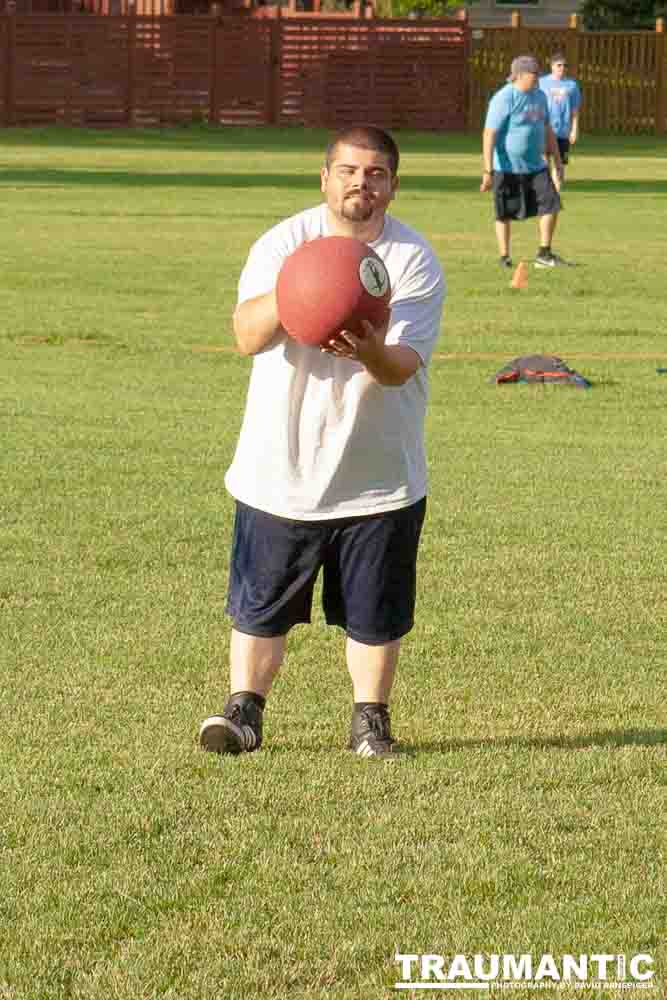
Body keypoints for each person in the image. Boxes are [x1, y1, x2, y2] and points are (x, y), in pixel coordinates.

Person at [198, 126, 445, 759]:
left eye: (376, 173)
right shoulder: (283, 243)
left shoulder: (412, 259)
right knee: (259, 606)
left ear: (393, 185)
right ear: (325, 177)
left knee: (375, 613)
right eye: (349, 171)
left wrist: (366, 347)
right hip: (279, 468)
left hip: (378, 473)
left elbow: (399, 367)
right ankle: (243, 713)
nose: (362, 183)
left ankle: (371, 723)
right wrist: (305, 290)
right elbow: (246, 336)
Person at [480, 54, 569, 270]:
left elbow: (547, 129)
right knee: (504, 213)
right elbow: (489, 133)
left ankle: (544, 253)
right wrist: (488, 170)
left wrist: (557, 161)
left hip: (536, 166)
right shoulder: (504, 97)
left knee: (551, 204)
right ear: (519, 75)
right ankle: (504, 256)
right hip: (507, 167)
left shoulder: (540, 96)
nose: (537, 77)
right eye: (533, 73)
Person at [539, 52, 582, 178]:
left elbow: (575, 110)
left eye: (565, 65)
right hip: (545, 129)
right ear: (552, 66)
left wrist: (574, 130)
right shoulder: (541, 83)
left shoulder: (572, 85)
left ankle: (557, 189)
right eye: (559, 65)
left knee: (560, 164)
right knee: (544, 161)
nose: (562, 68)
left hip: (563, 131)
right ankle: (546, 187)